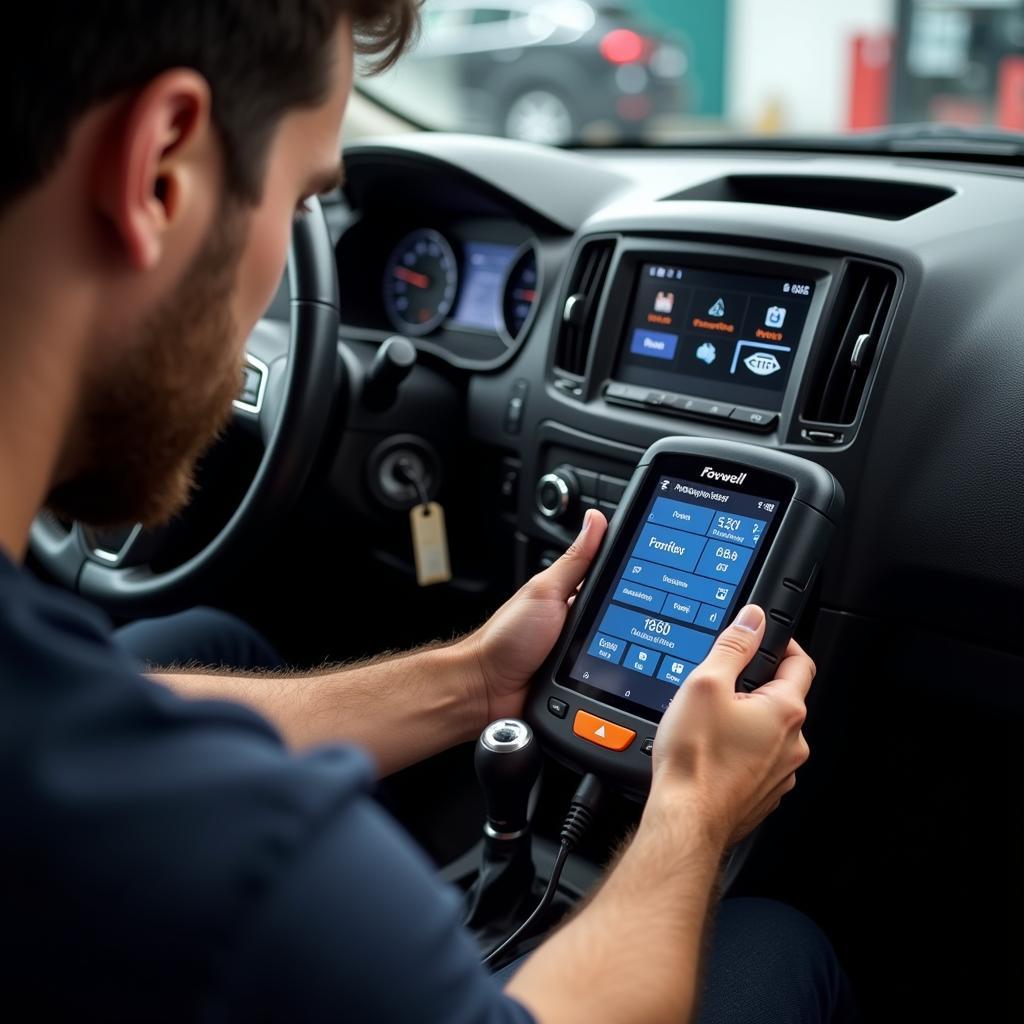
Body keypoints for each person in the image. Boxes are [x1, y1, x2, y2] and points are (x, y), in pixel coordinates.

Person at [0, 3, 852, 1021]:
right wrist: (691, 812)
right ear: (160, 172)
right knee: (771, 942)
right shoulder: (257, 866)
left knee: (219, 641)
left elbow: (124, 709)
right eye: (301, 200)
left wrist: (475, 681)